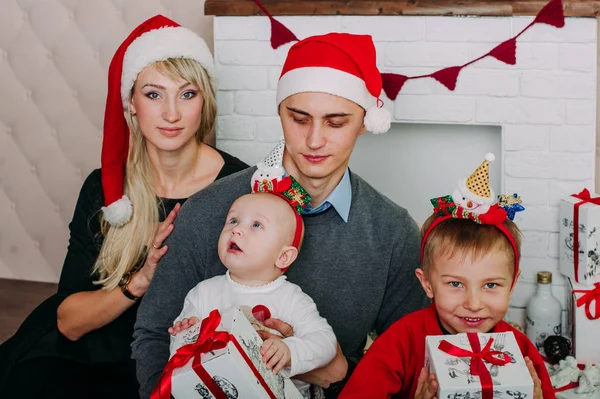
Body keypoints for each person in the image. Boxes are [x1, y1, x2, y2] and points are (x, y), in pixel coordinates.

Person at [133, 32, 429, 398]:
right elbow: (153, 334)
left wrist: (336, 372)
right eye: (299, 118)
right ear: (279, 112)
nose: (315, 140)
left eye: (336, 122)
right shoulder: (208, 210)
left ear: (366, 120)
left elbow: (410, 362)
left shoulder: (392, 232)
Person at [0, 15, 247, 399]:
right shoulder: (104, 189)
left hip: (173, 358)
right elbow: (68, 320)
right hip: (88, 347)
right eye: (153, 94)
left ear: (205, 101)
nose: (171, 114)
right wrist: (139, 281)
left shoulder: (238, 187)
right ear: (131, 103)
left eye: (187, 94)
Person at [338, 155, 555, 399]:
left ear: (513, 284)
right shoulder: (401, 342)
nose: (473, 304)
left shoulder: (521, 349)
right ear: (427, 284)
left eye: (491, 285)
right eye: (455, 284)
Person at [166, 186, 337, 398]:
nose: (236, 230)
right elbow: (180, 353)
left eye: (256, 224)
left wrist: (291, 350)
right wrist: (184, 333)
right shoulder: (204, 293)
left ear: (283, 257)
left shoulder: (291, 298)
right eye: (233, 221)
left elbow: (325, 341)